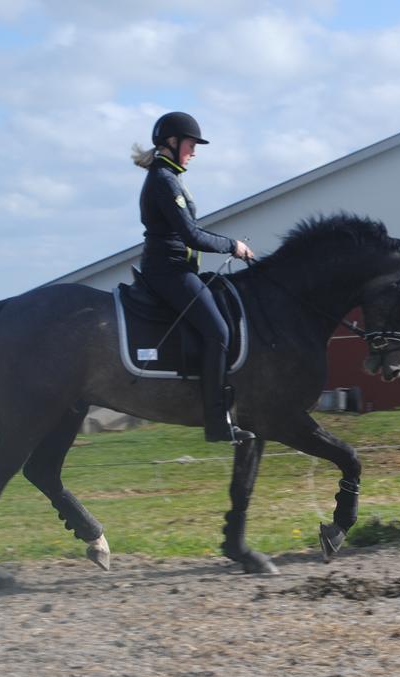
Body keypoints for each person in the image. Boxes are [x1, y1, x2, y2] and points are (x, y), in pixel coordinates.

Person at [133, 111, 254, 443]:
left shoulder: (170, 176)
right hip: (169, 271)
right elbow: (191, 235)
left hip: (179, 269)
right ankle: (216, 421)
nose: (194, 152)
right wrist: (233, 246)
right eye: (191, 144)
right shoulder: (163, 180)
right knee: (218, 331)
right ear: (172, 142)